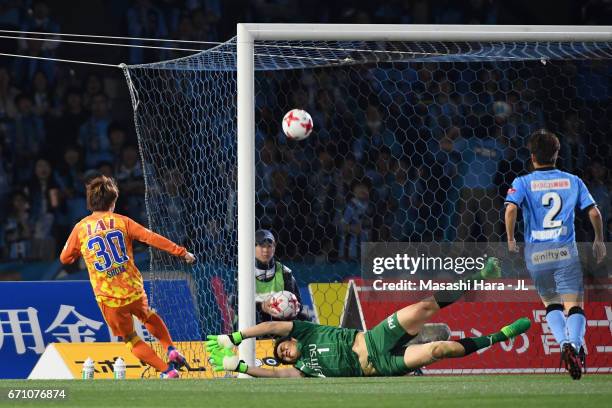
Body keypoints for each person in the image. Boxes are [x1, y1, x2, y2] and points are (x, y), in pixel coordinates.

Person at [207, 258, 531, 378]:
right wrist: (239, 366)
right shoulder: (304, 370)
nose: (286, 352)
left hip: (375, 338)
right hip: (380, 367)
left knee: (424, 308)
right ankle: (499, 336)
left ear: (291, 340)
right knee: (439, 349)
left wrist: (237, 337)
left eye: (283, 347)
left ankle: (478, 276)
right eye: (282, 356)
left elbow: (271, 326)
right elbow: (276, 377)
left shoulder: (305, 332)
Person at [60, 175, 196, 378]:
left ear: (89, 203)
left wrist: (81, 250)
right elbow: (151, 238)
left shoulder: (81, 228)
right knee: (147, 315)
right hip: (132, 289)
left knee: (131, 338)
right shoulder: (122, 222)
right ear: (113, 202)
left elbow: (65, 259)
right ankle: (170, 349)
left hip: (109, 299)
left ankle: (167, 371)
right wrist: (181, 252)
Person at [504, 130, 606, 380]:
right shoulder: (573, 180)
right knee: (574, 306)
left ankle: (563, 345)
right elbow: (594, 212)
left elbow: (510, 210)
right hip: (565, 253)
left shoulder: (522, 182)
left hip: (538, 255)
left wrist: (510, 239)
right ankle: (576, 345)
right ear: (557, 154)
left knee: (551, 304)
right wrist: (599, 239)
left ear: (532, 157)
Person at [254, 229, 304, 323]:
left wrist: (288, 308)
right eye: (262, 246)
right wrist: (263, 307)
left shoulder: (285, 272)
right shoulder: (245, 273)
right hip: (253, 323)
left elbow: (299, 304)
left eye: (269, 246)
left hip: (279, 323)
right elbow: (236, 305)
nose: (266, 250)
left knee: (305, 319)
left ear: (274, 247)